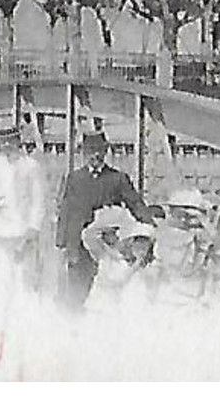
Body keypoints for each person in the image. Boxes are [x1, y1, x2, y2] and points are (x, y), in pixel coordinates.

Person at [55, 131, 153, 310]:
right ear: (84, 153)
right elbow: (66, 211)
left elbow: (135, 204)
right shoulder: (75, 178)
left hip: (107, 246)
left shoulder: (117, 178)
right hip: (78, 245)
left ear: (106, 152)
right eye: (91, 151)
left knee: (105, 294)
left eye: (100, 150)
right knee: (76, 292)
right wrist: (62, 244)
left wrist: (149, 228)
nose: (96, 155)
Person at [0, 123, 46, 296]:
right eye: (3, 143)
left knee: (23, 278)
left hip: (22, 231)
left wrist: (34, 227)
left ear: (18, 142)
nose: (7, 147)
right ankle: (4, 318)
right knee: (3, 278)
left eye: (10, 142)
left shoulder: (31, 166)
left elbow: (39, 199)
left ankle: (23, 318)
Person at [80, 205, 160, 309]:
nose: (115, 236)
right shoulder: (104, 254)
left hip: (121, 306)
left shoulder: (134, 261)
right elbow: (116, 280)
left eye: (115, 232)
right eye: (110, 233)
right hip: (101, 302)